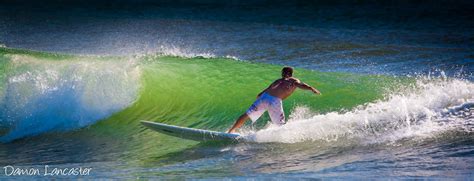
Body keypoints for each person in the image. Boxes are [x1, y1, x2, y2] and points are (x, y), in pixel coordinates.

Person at [228, 66, 321, 133]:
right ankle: (281, 139)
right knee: (280, 125)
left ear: (287, 73)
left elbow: (269, 88)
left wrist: (261, 94)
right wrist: (311, 88)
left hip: (264, 97)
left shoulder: (279, 80)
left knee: (247, 114)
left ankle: (231, 130)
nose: (282, 74)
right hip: (274, 101)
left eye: (283, 73)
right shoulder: (293, 80)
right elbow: (301, 85)